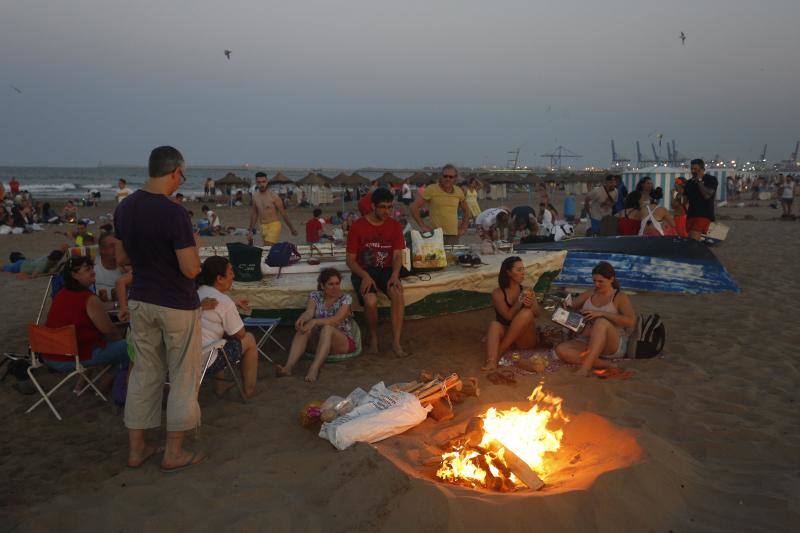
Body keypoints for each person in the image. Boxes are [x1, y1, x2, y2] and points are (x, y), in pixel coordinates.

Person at [114, 146, 206, 472]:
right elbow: (191, 270)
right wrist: (194, 244)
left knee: (144, 373)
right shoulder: (174, 213)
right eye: (182, 175)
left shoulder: (125, 208)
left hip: (141, 299)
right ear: (174, 172)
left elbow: (122, 259)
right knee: (183, 375)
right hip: (176, 303)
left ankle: (137, 450)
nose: (181, 180)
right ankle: (174, 452)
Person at [346, 187, 407, 357]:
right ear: (373, 206)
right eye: (382, 207)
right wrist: (365, 276)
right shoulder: (358, 227)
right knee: (371, 300)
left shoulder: (395, 226)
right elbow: (350, 260)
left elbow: (397, 255)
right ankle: (373, 337)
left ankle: (396, 342)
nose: (386, 211)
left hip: (386, 269)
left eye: (389, 207)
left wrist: (395, 274)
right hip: (363, 270)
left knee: (397, 293)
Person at [44, 256, 129, 372]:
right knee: (132, 347)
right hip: (71, 357)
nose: (93, 272)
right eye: (87, 270)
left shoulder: (62, 293)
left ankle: (85, 386)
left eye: (92, 268)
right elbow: (109, 330)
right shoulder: (88, 298)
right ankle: (113, 386)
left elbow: (96, 308)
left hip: (50, 353)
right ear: (74, 275)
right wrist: (121, 340)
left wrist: (116, 305)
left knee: (114, 347)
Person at [555, 261, 636, 377]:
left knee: (601, 322)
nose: (597, 285)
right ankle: (605, 364)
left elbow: (630, 321)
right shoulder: (591, 293)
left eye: (600, 281)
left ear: (611, 279)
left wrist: (601, 314)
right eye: (594, 281)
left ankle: (585, 368)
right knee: (561, 350)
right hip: (588, 340)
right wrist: (564, 308)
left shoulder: (619, 297)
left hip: (612, 343)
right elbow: (570, 307)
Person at [278, 268, 356, 382]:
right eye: (331, 284)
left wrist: (314, 321)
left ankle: (314, 368)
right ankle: (288, 367)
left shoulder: (345, 299)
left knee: (328, 328)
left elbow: (336, 320)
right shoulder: (315, 296)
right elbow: (309, 312)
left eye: (337, 283)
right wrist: (302, 319)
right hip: (320, 341)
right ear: (322, 285)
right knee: (304, 329)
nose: (335, 287)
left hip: (341, 342)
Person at [196, 257, 259, 398]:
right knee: (249, 339)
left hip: (187, 356)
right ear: (220, 278)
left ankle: (220, 386)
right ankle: (249, 390)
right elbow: (240, 334)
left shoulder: (197, 293)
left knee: (218, 339)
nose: (233, 276)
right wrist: (231, 308)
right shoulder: (224, 301)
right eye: (231, 272)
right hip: (205, 361)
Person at [482, 256, 539, 371]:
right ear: (508, 273)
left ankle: (500, 351)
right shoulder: (498, 293)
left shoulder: (527, 290)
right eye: (519, 270)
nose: (523, 273)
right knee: (494, 325)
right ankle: (492, 361)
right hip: (507, 333)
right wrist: (519, 301)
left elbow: (537, 314)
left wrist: (532, 304)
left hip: (524, 339)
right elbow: (507, 316)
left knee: (527, 313)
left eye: (523, 269)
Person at [410, 164, 470, 245]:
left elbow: (466, 210)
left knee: (452, 257)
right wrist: (422, 226)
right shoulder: (432, 189)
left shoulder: (458, 191)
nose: (447, 179)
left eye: (451, 177)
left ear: (455, 178)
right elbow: (413, 207)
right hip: (436, 235)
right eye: (445, 176)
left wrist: (464, 227)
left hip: (454, 235)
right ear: (441, 176)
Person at [248, 172, 297, 246]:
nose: (262, 184)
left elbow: (284, 214)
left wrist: (292, 228)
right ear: (256, 183)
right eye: (259, 182)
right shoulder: (255, 196)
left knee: (268, 246)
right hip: (262, 226)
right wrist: (250, 231)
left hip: (274, 225)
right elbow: (255, 214)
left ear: (267, 182)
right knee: (268, 248)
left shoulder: (274, 196)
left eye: (263, 182)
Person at [684, 159, 718, 240]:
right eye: (691, 169)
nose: (693, 171)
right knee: (692, 242)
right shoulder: (689, 183)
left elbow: (707, 195)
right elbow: (685, 201)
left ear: (702, 169)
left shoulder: (710, 179)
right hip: (691, 216)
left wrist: (699, 181)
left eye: (696, 169)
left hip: (703, 216)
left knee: (693, 243)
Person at [94, 233, 125, 302]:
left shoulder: (126, 268)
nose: (116, 248)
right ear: (102, 250)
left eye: (117, 245)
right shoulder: (92, 269)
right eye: (112, 246)